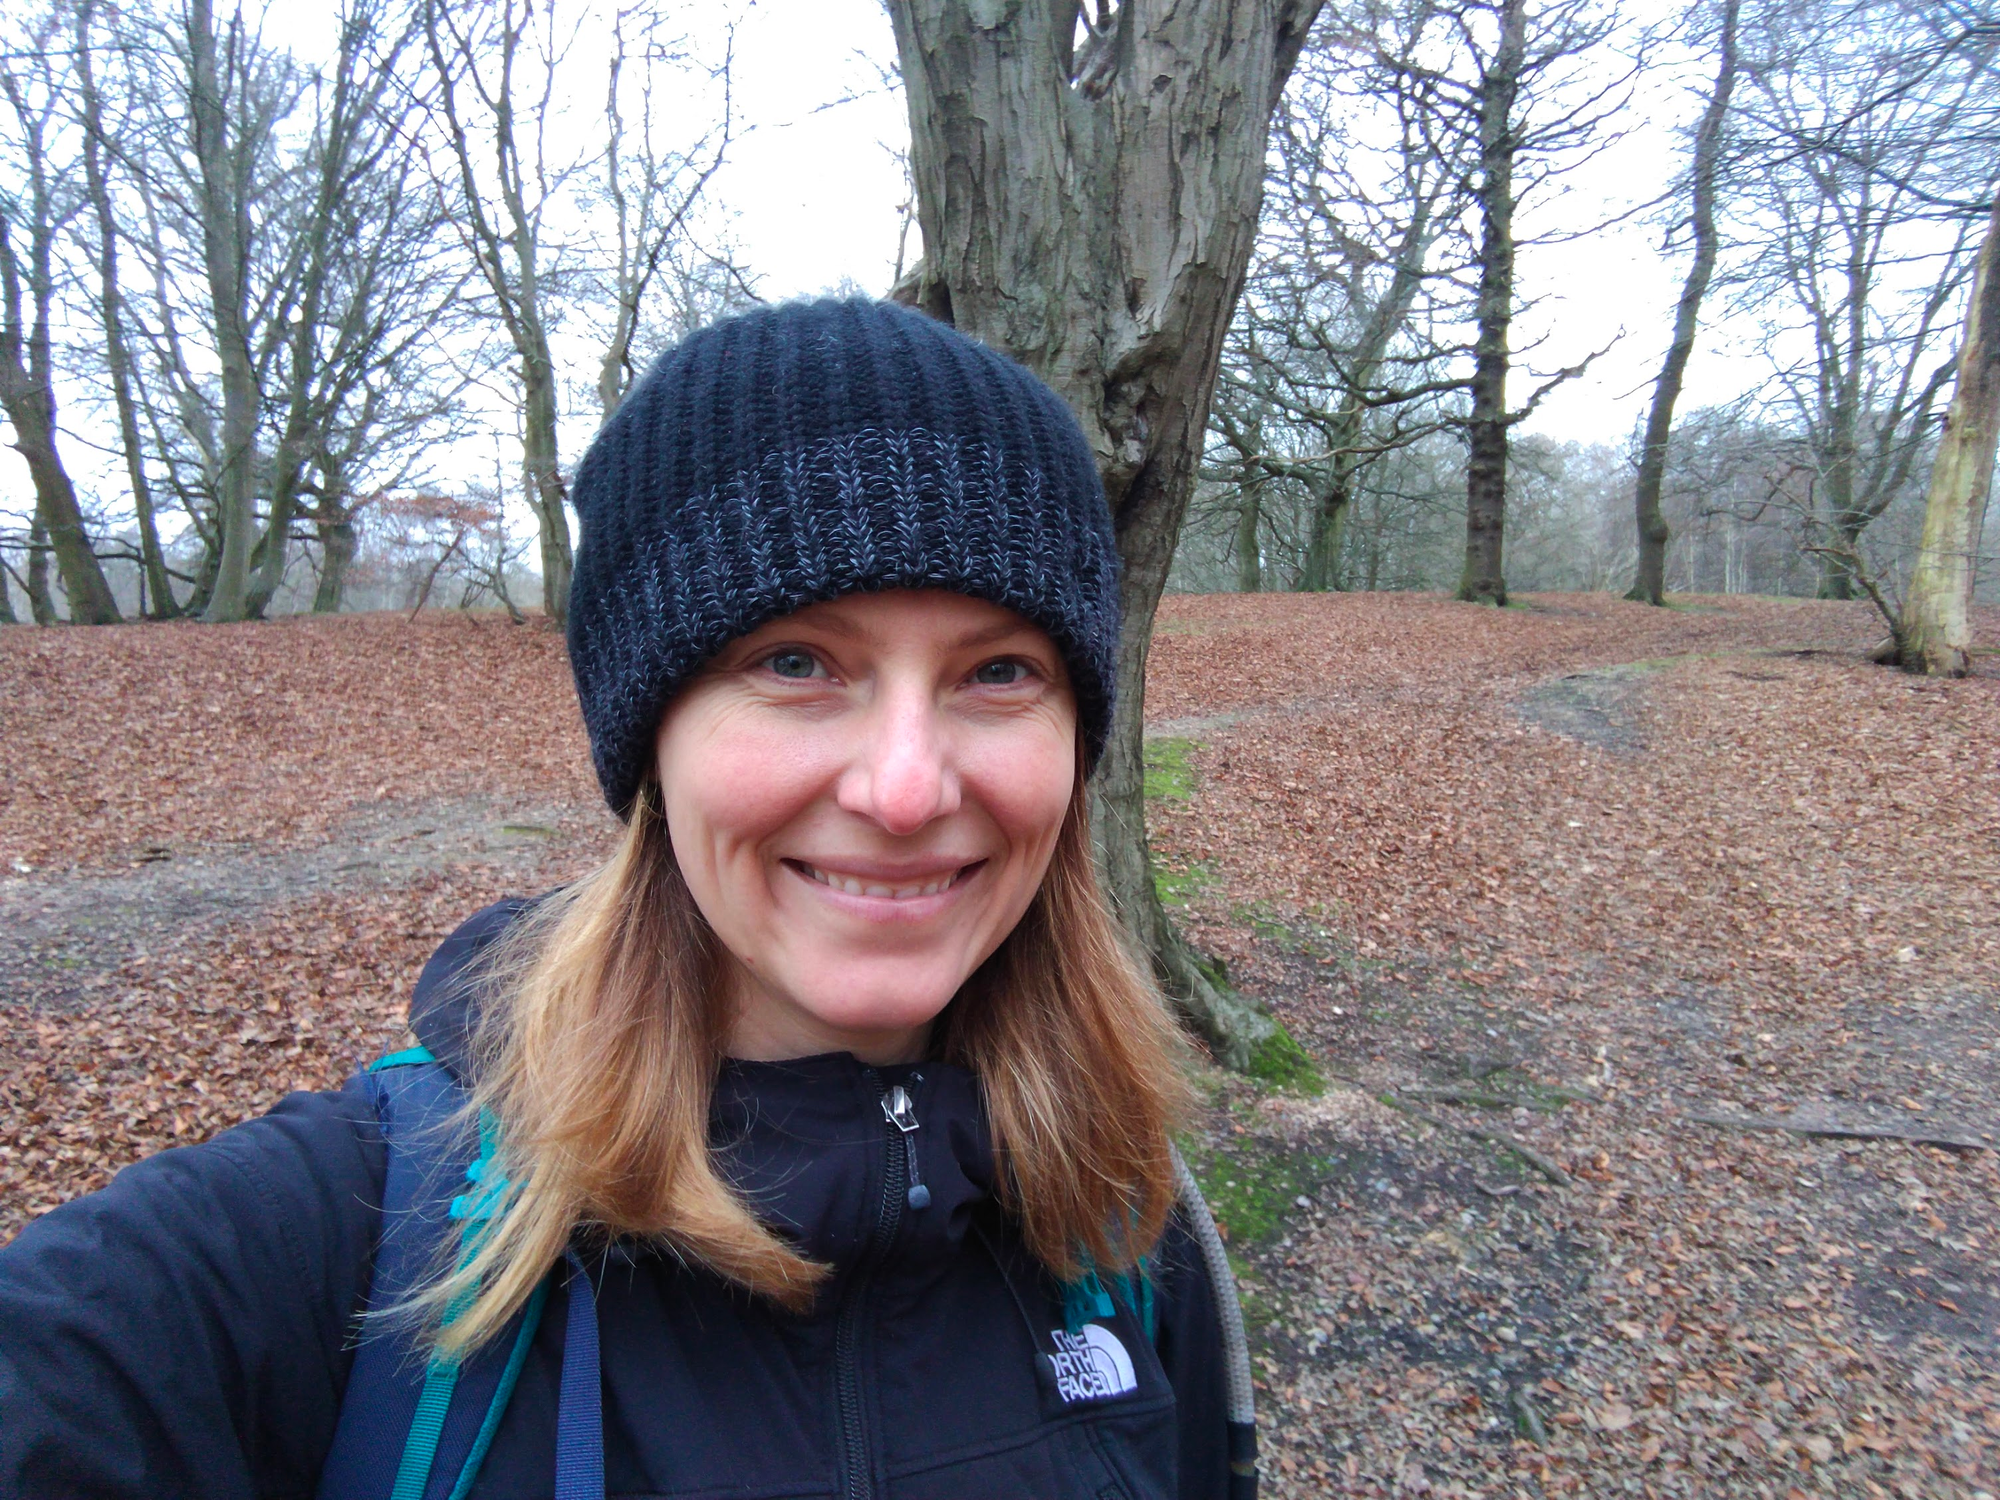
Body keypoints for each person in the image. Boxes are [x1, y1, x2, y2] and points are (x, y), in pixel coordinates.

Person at [0, 298, 1252, 1500]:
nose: (907, 788)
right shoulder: (326, 1245)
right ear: (650, 738)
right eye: (797, 662)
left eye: (999, 671)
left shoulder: (1126, 1230)